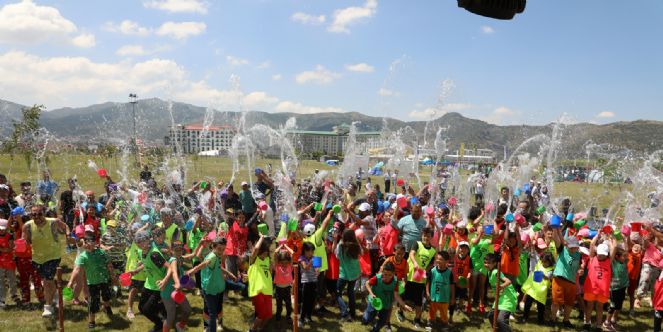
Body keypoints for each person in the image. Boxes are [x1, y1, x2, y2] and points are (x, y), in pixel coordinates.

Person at [22, 204, 67, 317]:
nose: (36, 216)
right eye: (33, 214)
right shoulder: (27, 226)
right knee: (48, 280)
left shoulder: (53, 222)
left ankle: (48, 307)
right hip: (37, 258)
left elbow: (65, 228)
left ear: (44, 213)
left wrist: (69, 235)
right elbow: (25, 241)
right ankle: (56, 294)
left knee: (47, 282)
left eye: (39, 214)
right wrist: (22, 244)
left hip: (53, 256)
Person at [187, 237, 236, 332]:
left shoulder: (217, 255)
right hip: (210, 288)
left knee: (216, 308)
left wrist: (229, 273)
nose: (221, 251)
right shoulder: (212, 256)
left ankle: (217, 324)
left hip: (217, 287)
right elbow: (205, 263)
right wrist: (193, 270)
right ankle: (208, 326)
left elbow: (217, 267)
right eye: (219, 249)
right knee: (211, 311)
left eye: (223, 249)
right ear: (213, 247)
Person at [67, 234, 114, 329]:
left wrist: (113, 276)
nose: (86, 244)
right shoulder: (83, 256)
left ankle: (107, 307)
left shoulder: (102, 253)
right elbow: (77, 269)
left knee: (106, 296)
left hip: (104, 280)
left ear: (95, 243)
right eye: (85, 242)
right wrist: (71, 282)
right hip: (92, 283)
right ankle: (92, 321)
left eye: (89, 242)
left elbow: (109, 264)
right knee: (93, 302)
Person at [130, 231, 167, 332]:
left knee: (147, 309)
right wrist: (136, 271)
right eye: (137, 242)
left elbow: (170, 267)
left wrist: (165, 280)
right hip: (149, 283)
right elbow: (146, 263)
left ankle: (160, 323)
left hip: (158, 286)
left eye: (142, 241)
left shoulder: (154, 254)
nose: (139, 244)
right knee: (141, 307)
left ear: (148, 240)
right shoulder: (144, 251)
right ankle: (162, 315)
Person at [399, 227, 436, 329]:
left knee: (418, 300)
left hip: (420, 277)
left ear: (431, 237)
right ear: (422, 236)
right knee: (405, 297)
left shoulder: (433, 250)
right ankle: (400, 312)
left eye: (428, 236)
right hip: (410, 275)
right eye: (424, 236)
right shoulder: (417, 244)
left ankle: (417, 319)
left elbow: (431, 263)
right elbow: (411, 254)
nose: (426, 238)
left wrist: (426, 270)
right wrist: (415, 263)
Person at [362, 262, 413, 332]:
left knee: (383, 321)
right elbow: (367, 283)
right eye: (385, 274)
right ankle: (366, 317)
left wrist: (404, 305)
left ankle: (375, 330)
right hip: (375, 301)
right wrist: (371, 293)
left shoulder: (395, 282)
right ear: (382, 272)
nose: (387, 277)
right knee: (367, 318)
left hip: (386, 303)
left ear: (393, 273)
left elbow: (396, 295)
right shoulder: (377, 278)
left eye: (390, 275)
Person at [583, 232, 616, 331]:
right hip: (591, 288)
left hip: (602, 290)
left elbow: (614, 247)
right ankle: (587, 323)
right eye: (600, 254)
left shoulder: (608, 261)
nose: (601, 256)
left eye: (603, 255)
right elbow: (592, 244)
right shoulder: (592, 258)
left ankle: (598, 325)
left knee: (600, 307)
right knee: (589, 306)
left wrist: (611, 237)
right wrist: (597, 235)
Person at [550, 234, 584, 328]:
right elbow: (557, 239)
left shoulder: (578, 255)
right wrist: (556, 230)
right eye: (571, 247)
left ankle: (566, 321)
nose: (573, 249)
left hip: (572, 281)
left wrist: (580, 269)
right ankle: (552, 319)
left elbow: (579, 266)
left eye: (575, 247)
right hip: (559, 279)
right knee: (556, 301)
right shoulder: (562, 250)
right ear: (567, 245)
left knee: (569, 303)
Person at [334, 228, 363, 322]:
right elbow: (361, 254)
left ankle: (344, 312)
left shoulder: (341, 246)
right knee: (351, 294)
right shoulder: (357, 245)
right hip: (354, 274)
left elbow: (337, 256)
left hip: (344, 274)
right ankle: (353, 315)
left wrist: (335, 240)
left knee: (338, 293)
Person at [485, 253, 518, 332]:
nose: (486, 264)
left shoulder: (496, 271)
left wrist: (500, 287)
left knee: (501, 320)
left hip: (508, 298)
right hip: (500, 298)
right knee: (491, 316)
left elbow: (508, 281)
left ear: (495, 263)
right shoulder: (489, 272)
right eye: (485, 262)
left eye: (489, 263)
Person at [248, 234, 273, 332]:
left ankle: (260, 328)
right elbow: (256, 249)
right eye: (264, 253)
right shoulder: (254, 260)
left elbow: (270, 273)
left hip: (268, 290)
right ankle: (252, 329)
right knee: (262, 313)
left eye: (267, 253)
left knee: (269, 314)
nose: (266, 255)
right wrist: (262, 237)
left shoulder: (268, 260)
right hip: (258, 291)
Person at [426, 250, 455, 330]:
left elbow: (452, 286)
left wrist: (452, 297)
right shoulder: (432, 271)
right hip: (433, 298)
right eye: (437, 259)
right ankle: (430, 323)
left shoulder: (449, 273)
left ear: (447, 261)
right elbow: (428, 282)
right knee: (432, 312)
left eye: (441, 259)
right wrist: (427, 292)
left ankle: (444, 324)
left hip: (444, 298)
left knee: (444, 314)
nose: (438, 261)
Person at [299, 242, 318, 326]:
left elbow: (317, 269)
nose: (311, 253)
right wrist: (311, 262)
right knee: (305, 301)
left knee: (312, 300)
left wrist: (317, 271)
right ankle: (301, 319)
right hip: (305, 282)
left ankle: (308, 317)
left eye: (312, 251)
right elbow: (305, 268)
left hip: (313, 281)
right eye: (309, 251)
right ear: (304, 251)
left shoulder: (314, 258)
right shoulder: (302, 258)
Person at [273, 243, 294, 322]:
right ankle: (278, 317)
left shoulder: (290, 266)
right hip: (278, 289)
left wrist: (286, 246)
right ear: (279, 262)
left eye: (286, 262)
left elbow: (292, 253)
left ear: (288, 262)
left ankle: (288, 317)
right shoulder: (277, 266)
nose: (284, 264)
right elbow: (275, 253)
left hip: (287, 289)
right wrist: (281, 246)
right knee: (279, 305)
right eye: (282, 263)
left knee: (288, 305)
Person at [0, 218, 18, 307]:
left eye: (3, 228)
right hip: (0, 263)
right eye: (0, 229)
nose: (2, 230)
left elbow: (9, 249)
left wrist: (2, 249)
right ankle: (2, 299)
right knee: (1, 281)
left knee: (12, 279)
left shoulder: (10, 236)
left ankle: (14, 295)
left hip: (9, 261)